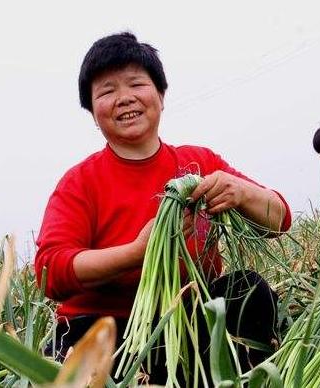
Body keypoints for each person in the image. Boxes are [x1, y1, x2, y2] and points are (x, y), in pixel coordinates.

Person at [34, 32, 291, 382]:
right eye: (107, 91)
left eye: (136, 84)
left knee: (247, 291)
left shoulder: (198, 163)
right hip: (104, 329)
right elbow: (51, 270)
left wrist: (242, 193)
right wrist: (138, 252)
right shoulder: (80, 181)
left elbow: (279, 219)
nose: (124, 99)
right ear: (93, 113)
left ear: (161, 95)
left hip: (186, 321)